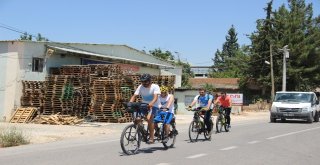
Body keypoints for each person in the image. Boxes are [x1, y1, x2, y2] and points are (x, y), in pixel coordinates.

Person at [129, 73, 161, 143]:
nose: (144, 83)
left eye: (146, 81)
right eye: (142, 81)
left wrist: (151, 104)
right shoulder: (140, 86)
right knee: (136, 119)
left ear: (150, 81)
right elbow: (134, 96)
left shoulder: (155, 86)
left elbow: (155, 98)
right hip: (144, 105)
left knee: (150, 120)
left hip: (154, 105)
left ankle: (151, 138)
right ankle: (143, 131)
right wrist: (130, 103)